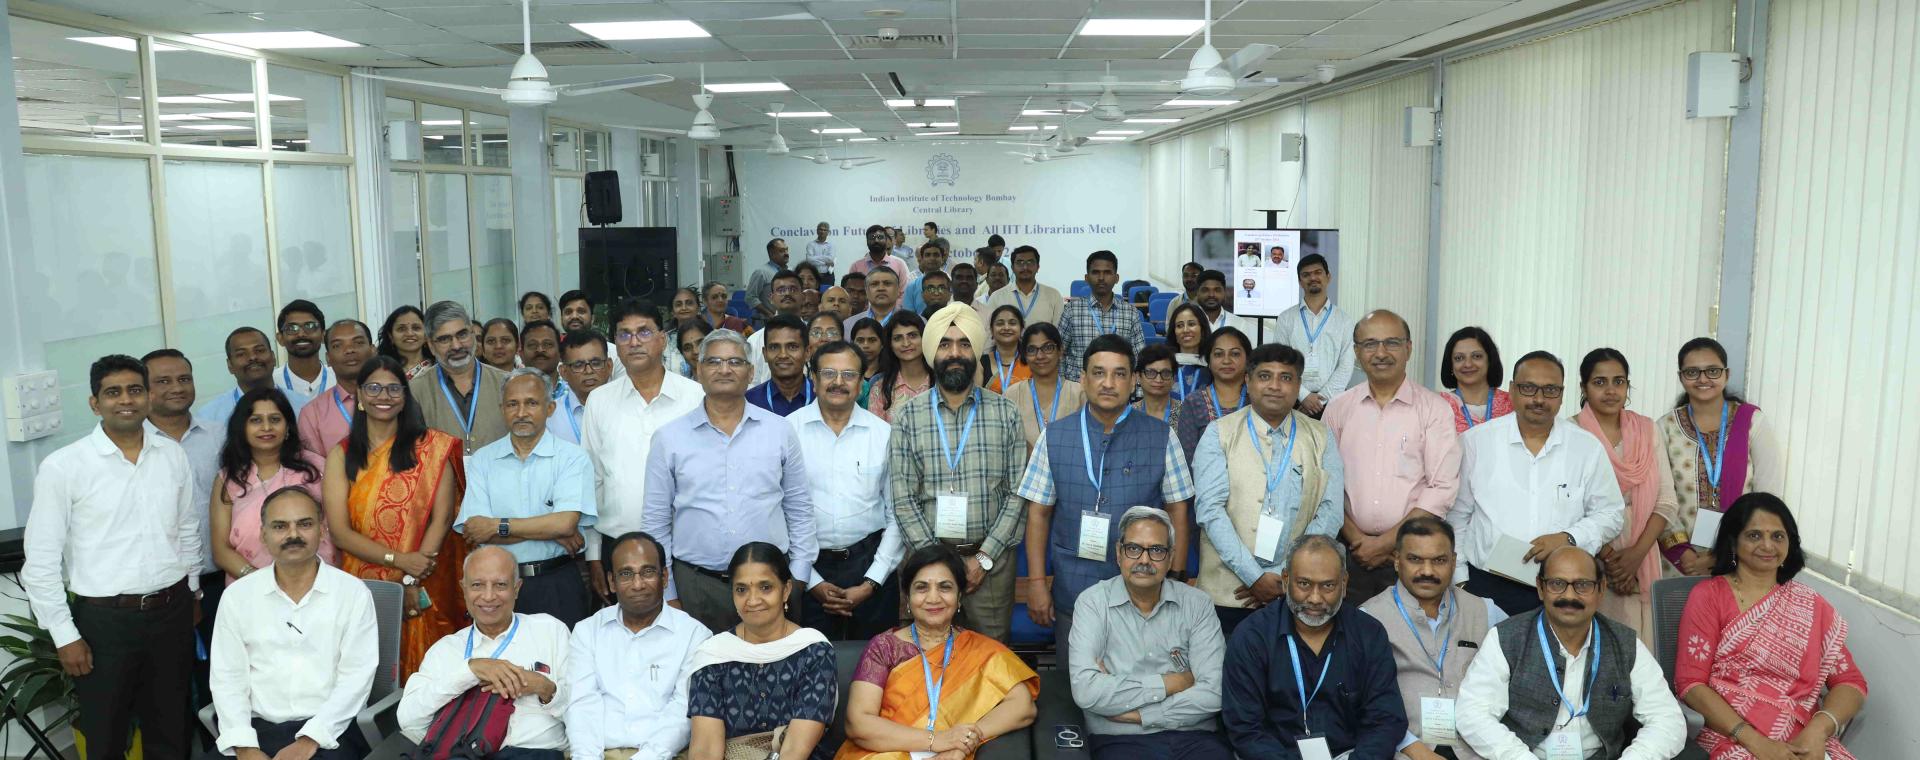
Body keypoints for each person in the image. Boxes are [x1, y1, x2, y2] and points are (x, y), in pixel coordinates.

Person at [23, 355, 202, 760]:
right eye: (114, 392)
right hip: (105, 623)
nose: (126, 400)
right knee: (105, 736)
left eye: (135, 390)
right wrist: (65, 635)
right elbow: (41, 561)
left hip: (171, 611)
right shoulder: (64, 467)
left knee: (171, 729)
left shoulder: (171, 455)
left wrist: (192, 593)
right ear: (94, 402)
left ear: (148, 395)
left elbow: (188, 529)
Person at [1019, 336, 1195, 659]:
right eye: (1099, 373)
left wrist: (1176, 578)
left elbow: (1178, 511)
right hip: (1073, 591)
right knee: (1076, 690)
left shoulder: (1161, 436)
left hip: (1145, 592)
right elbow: (1038, 514)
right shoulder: (1054, 436)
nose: (1109, 383)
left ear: (1133, 382)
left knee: (1143, 689)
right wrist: (1036, 582)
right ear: (1083, 379)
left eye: (1119, 374)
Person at [643, 328, 818, 633]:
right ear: (698, 371)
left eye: (735, 362)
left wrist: (798, 578)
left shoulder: (779, 431)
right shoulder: (669, 438)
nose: (724, 369)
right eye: (713, 362)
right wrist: (669, 593)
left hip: (769, 586)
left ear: (750, 372)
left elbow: (800, 510)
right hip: (697, 586)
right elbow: (655, 523)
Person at [1675, 493, 1868, 760]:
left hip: (1802, 738)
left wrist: (1818, 731)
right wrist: (1756, 742)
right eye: (1754, 535)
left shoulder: (1810, 604)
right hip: (1732, 734)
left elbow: (1850, 682)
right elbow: (1691, 683)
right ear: (1733, 541)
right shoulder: (1709, 596)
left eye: (1778, 536)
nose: (1767, 545)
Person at [1453, 547, 1686, 760]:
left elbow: (1668, 719)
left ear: (1601, 589)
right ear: (1541, 588)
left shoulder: (1625, 644)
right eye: (1557, 584)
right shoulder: (1506, 638)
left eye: (1583, 585)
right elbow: (1472, 712)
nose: (1570, 596)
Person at [888, 305, 1028, 643]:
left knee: (990, 662)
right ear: (932, 353)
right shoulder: (908, 416)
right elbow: (903, 499)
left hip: (991, 566)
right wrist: (938, 566)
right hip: (925, 564)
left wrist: (983, 558)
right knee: (925, 660)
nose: (955, 353)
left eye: (964, 344)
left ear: (977, 351)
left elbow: (1017, 495)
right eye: (945, 344)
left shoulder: (1005, 412)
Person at [321, 356, 465, 679]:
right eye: (373, 388)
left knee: (430, 677)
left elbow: (441, 519)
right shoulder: (341, 455)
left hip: (423, 577)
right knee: (368, 675)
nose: (383, 396)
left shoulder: (431, 447)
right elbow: (341, 534)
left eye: (392, 389)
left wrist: (413, 576)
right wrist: (400, 560)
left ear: (404, 397)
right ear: (359, 395)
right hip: (364, 585)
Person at [1450, 351, 1625, 615]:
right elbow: (1456, 516)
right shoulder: (1477, 442)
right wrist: (1461, 580)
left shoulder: (1586, 448)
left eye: (1550, 390)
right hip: (1486, 585)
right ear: (1511, 390)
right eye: (1528, 388)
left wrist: (1569, 538)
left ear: (1562, 393)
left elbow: (1611, 514)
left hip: (1560, 587)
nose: (1539, 399)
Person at [209, 487, 377, 760]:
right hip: (257, 729)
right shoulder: (237, 597)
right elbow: (228, 679)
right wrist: (244, 746)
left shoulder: (353, 593)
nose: (293, 535)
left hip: (332, 730)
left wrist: (310, 739)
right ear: (264, 535)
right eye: (280, 526)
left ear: (322, 531)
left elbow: (356, 678)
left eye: (305, 524)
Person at [1193, 343, 1345, 635]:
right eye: (1265, 376)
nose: (1275, 386)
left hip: (1299, 593)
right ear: (1247, 382)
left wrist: (1283, 575)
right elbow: (1210, 511)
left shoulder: (1321, 436)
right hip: (1229, 591)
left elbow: (1331, 512)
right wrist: (1253, 577)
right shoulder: (1219, 433)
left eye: (1286, 378)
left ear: (1298, 385)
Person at [837, 545, 1040, 760]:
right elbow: (858, 723)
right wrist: (937, 740)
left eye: (945, 587)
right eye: (922, 588)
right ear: (907, 597)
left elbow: (1023, 705)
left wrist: (965, 739)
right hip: (887, 752)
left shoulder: (980, 649)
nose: (933, 598)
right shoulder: (884, 648)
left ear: (959, 597)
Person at [1221, 535, 1408, 759]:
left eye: (1328, 585)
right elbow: (1245, 729)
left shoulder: (1368, 634)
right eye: (1304, 584)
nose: (1315, 598)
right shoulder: (1252, 637)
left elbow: (1385, 719)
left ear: (1344, 583)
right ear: (1285, 579)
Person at [1067, 507, 1230, 759]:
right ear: (1119, 553)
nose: (1144, 560)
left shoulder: (1197, 604)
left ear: (1170, 557)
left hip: (1194, 737)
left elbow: (1215, 692)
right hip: (1120, 739)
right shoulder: (1092, 603)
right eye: (1134, 548)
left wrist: (1142, 715)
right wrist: (1174, 682)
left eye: (1156, 550)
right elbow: (1087, 691)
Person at [1322, 310, 1461, 601]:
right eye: (1370, 344)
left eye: (1392, 343)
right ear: (1357, 352)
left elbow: (1441, 487)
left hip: (1412, 554)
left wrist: (1388, 542)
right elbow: (1325, 483)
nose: (1381, 352)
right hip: (1349, 550)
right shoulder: (1337, 409)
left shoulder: (1434, 410)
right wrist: (1357, 540)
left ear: (1408, 348)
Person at [581, 299, 705, 608]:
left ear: (663, 339)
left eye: (644, 332)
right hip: (618, 548)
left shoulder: (695, 397)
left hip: (686, 550)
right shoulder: (599, 401)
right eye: (624, 335)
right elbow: (592, 480)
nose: (634, 342)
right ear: (616, 345)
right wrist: (594, 555)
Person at [397, 546, 573, 758]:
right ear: (464, 588)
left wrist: (545, 688)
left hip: (535, 752)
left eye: (500, 585)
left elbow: (584, 710)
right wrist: (470, 671)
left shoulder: (549, 630)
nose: (488, 596)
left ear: (517, 588)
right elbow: (408, 719)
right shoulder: (447, 649)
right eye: (477, 585)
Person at [455, 369, 597, 626]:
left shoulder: (572, 458)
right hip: (498, 588)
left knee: (560, 663)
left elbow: (565, 524)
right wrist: (549, 528)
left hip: (556, 582)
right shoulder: (483, 461)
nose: (521, 413)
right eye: (512, 404)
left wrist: (498, 526)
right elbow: (476, 531)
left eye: (531, 403)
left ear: (550, 408)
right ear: (502, 408)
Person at [1356, 516, 1506, 760]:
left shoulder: (1485, 611)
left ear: (1454, 562)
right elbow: (1362, 703)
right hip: (1403, 751)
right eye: (1415, 559)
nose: (1427, 571)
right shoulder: (1367, 619)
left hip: (1477, 751)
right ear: (1396, 561)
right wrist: (1413, 749)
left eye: (1439, 561)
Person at [791, 342, 906, 642]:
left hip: (871, 564)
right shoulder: (787, 432)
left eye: (848, 374)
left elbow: (897, 514)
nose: (838, 382)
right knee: (811, 669)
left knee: (877, 670)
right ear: (812, 378)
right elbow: (778, 514)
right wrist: (811, 581)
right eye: (828, 373)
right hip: (807, 567)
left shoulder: (883, 434)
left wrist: (871, 582)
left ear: (861, 382)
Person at [566, 531, 713, 760]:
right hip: (598, 753)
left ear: (664, 577)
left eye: (647, 572)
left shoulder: (694, 635)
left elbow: (683, 710)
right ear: (612, 582)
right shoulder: (587, 632)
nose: (637, 584)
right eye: (626, 574)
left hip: (668, 755)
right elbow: (581, 704)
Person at [686, 543, 837, 760]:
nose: (753, 600)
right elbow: (705, 751)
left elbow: (796, 750)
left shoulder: (813, 651)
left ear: (786, 590)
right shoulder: (713, 656)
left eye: (765, 587)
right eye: (741, 589)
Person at [1572, 349, 1677, 641]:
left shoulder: (1647, 429)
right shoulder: (1570, 432)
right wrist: (1609, 558)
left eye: (1618, 382)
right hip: (1589, 548)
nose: (1610, 390)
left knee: (1638, 645)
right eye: (1600, 382)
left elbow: (1667, 500)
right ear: (1583, 387)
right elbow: (1568, 506)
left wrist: (1635, 556)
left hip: (1642, 547)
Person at [1657, 337, 1781, 576]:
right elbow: (1659, 494)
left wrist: (1723, 553)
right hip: (1679, 561)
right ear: (1681, 377)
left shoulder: (1752, 422)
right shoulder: (1665, 427)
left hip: (1742, 555)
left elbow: (1768, 498)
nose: (1703, 379)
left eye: (1712, 371)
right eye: (1692, 372)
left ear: (1726, 374)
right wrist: (1684, 553)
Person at [141, 348, 226, 645]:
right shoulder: (134, 447)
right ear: (145, 390)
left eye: (184, 379)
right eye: (163, 381)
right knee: (170, 681)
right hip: (160, 588)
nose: (177, 388)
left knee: (217, 676)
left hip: (220, 579)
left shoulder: (220, 436)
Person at [211, 388, 336, 582]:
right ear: (242, 428)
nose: (266, 427)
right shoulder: (229, 479)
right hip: (251, 590)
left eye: (275, 419)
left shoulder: (316, 469)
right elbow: (220, 550)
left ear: (287, 427)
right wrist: (262, 581)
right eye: (256, 420)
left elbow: (337, 529)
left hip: (318, 583)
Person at [408, 300, 510, 456]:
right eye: (444, 339)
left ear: (472, 334)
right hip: (443, 479)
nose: (456, 346)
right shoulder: (415, 391)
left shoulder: (507, 383)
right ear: (430, 345)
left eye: (462, 335)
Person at [1269, 254, 1352, 418]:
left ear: (1328, 277)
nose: (1312, 277)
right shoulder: (1286, 318)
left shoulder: (1344, 320)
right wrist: (1304, 395)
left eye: (1318, 272)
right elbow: (1281, 362)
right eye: (1306, 275)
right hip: (1292, 399)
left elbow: (1346, 365)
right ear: (1300, 282)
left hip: (1332, 403)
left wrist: (1320, 400)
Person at [1059, 251, 1147, 381]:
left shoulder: (1130, 313)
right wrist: (1062, 388)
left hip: (1118, 389)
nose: (1101, 277)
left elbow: (1138, 357)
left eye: (1107, 272)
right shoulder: (1071, 310)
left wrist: (1136, 393)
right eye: (1095, 272)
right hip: (1078, 389)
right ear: (1086, 278)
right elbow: (1059, 353)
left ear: (1116, 278)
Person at [1174, 326, 1252, 464]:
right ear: (1208, 362)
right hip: (1205, 483)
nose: (1226, 360)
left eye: (1235, 354)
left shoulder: (1258, 401)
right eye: (1218, 354)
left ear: (1247, 359)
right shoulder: (1194, 402)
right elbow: (1187, 460)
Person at [299, 320, 375, 459]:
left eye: (358, 342)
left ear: (373, 350)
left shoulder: (395, 397)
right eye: (337, 345)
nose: (349, 350)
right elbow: (317, 470)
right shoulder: (312, 414)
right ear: (328, 358)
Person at [1004, 322, 1085, 450]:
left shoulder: (1079, 393)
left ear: (1060, 351)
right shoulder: (1012, 394)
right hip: (1024, 469)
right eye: (1032, 350)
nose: (1040, 356)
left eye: (1048, 348)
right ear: (1024, 355)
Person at [198, 326, 278, 427]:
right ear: (230, 365)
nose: (253, 357)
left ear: (273, 357)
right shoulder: (209, 416)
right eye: (241, 354)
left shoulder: (300, 405)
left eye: (259, 350)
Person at [1440, 326, 1513, 433]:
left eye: (1477, 356)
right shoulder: (1439, 405)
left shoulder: (1512, 403)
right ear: (1451, 365)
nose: (1468, 364)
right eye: (1459, 358)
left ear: (1490, 360)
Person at [274, 299, 337, 415]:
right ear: (280, 338)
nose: (301, 334)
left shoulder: (339, 379)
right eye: (292, 329)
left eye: (310, 326)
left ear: (324, 335)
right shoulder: (273, 384)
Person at [865, 311, 930, 422]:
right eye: (898, 338)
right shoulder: (880, 388)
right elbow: (876, 435)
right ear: (890, 345)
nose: (906, 343)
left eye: (912, 335)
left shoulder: (940, 382)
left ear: (924, 338)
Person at [548, 329, 610, 445]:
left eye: (596, 363)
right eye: (578, 365)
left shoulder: (628, 408)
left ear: (609, 366)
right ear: (563, 372)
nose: (588, 371)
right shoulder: (551, 416)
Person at [979, 245, 1063, 327]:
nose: (1025, 267)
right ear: (1012, 268)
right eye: (1020, 263)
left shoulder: (1054, 296)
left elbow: (1058, 334)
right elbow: (989, 332)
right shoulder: (997, 297)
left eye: (1030, 262)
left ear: (1038, 267)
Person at [748, 313, 815, 416]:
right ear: (765, 354)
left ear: (807, 353)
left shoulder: (822, 397)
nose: (783, 355)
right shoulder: (749, 401)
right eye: (774, 347)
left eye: (792, 347)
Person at [1191, 269, 1257, 338]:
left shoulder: (1239, 324)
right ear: (1197, 293)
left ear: (1224, 292)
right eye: (1205, 290)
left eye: (1217, 290)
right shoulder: (1187, 322)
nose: (1211, 295)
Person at [1166, 303, 1210, 402]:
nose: (1185, 330)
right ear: (1174, 332)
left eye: (1191, 324)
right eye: (1180, 326)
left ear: (1202, 330)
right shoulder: (1165, 366)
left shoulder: (1213, 366)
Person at [377, 305, 434, 380]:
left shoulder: (438, 369)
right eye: (401, 329)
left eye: (416, 328)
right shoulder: (380, 371)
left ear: (426, 335)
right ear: (391, 336)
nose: (409, 333)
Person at [1133, 343, 1182, 428]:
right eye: (1151, 372)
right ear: (1138, 377)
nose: (1158, 380)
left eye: (1165, 373)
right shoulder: (1127, 415)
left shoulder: (1187, 412)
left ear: (1173, 378)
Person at [845, 265, 906, 333]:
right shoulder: (849, 324)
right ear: (867, 292)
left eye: (887, 283)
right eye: (874, 284)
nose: (881, 288)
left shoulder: (915, 322)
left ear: (898, 290)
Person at [985, 305, 1029, 394]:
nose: (1006, 328)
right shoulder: (981, 363)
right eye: (1000, 323)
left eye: (1012, 323)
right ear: (991, 330)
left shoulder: (1032, 361)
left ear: (1021, 329)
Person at [900, 242, 950, 314]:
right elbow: (908, 316)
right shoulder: (912, 286)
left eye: (936, 255)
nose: (932, 258)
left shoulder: (951, 283)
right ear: (922, 259)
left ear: (942, 259)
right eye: (928, 255)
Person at [749, 238, 791, 322]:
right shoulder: (761, 272)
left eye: (786, 250)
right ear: (772, 254)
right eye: (781, 251)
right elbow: (750, 297)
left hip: (789, 319)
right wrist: (769, 314)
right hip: (769, 321)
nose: (786, 253)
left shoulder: (791, 271)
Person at [848, 317, 886, 384]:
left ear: (882, 344)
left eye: (872, 340)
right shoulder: (845, 373)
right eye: (860, 340)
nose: (866, 345)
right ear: (852, 343)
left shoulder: (891, 374)